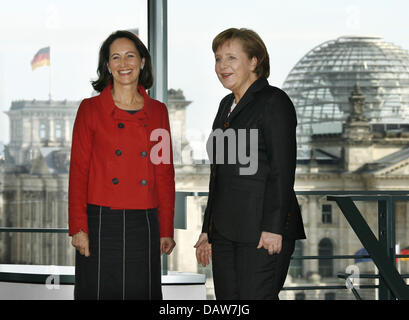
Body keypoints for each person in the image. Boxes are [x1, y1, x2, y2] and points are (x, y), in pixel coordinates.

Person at [194, 28, 306, 300]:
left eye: (232, 58)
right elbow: (217, 174)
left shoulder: (274, 102)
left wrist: (273, 228)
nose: (222, 66)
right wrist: (208, 230)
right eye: (218, 59)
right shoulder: (225, 106)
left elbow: (282, 171)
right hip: (225, 232)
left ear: (254, 61)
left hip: (261, 233)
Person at [68, 30, 175, 300]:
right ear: (107, 65)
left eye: (130, 56)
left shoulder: (158, 111)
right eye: (115, 57)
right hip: (102, 221)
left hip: (145, 222)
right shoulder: (89, 109)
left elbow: (164, 172)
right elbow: (78, 172)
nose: (123, 63)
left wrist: (165, 228)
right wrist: (79, 228)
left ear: (142, 62)